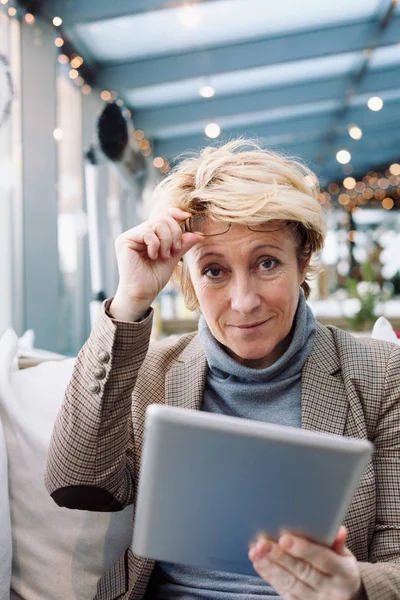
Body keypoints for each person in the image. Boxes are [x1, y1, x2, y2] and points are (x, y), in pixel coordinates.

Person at [45, 140, 400, 600]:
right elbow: (77, 482)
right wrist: (130, 302)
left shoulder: (380, 373)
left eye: (266, 262)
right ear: (188, 276)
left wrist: (356, 587)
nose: (244, 301)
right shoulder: (153, 372)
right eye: (214, 271)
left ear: (304, 258)